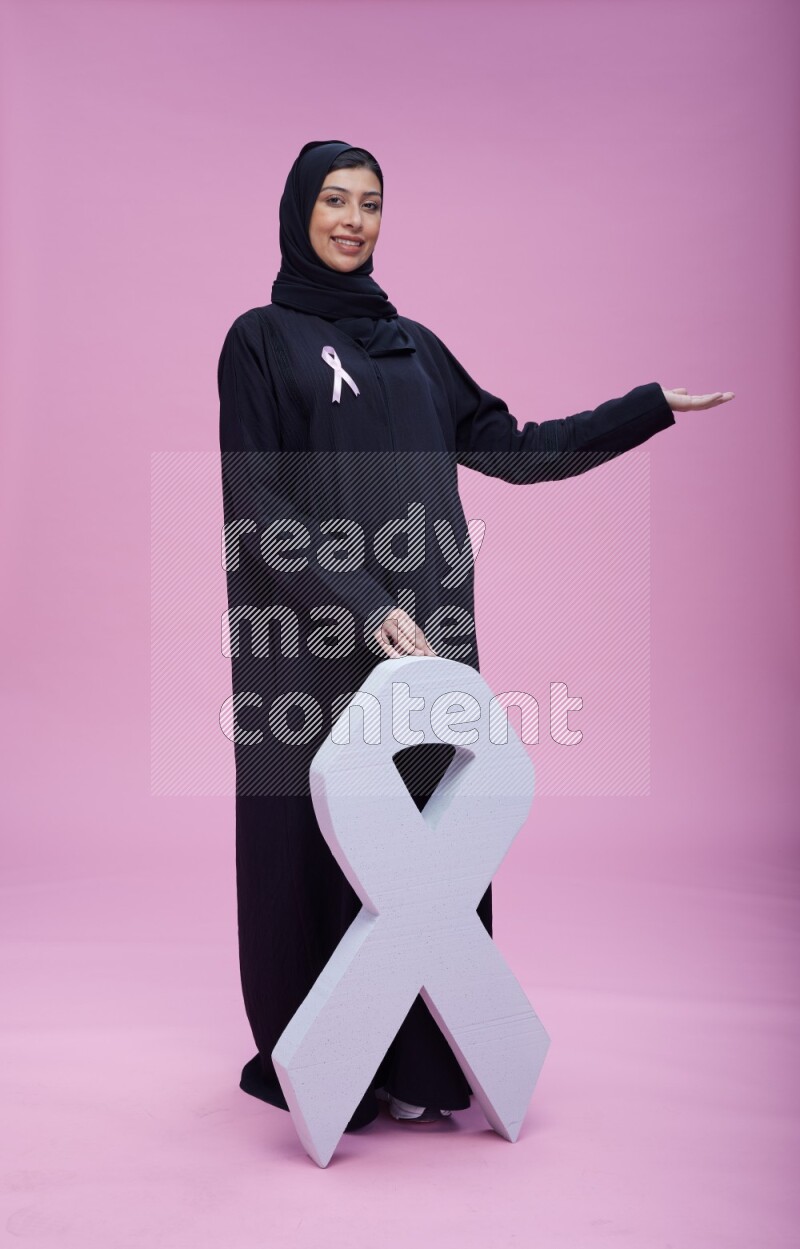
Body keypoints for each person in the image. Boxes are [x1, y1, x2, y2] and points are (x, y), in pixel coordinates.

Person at [217, 139, 734, 1131]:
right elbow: (259, 502)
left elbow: (515, 447)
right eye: (334, 199)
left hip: (425, 645)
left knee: (428, 848)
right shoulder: (261, 341)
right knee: (316, 846)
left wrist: (645, 410)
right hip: (313, 644)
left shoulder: (412, 346)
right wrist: (363, 602)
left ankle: (419, 1061)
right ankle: (329, 1070)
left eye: (370, 203)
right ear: (298, 209)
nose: (353, 220)